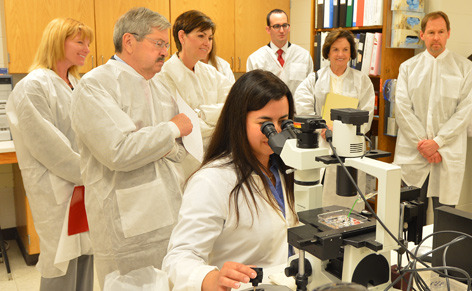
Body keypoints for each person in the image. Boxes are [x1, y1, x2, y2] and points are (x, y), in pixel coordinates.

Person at [69, 7, 193, 287]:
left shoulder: (160, 87)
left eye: (166, 45)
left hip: (169, 212)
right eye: (158, 43)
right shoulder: (96, 85)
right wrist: (170, 129)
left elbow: (179, 150)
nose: (165, 51)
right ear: (129, 41)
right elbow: (119, 151)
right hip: (125, 223)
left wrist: (156, 141)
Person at [162, 70, 298, 291]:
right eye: (265, 124)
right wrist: (209, 279)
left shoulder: (281, 168)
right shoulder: (212, 180)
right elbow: (177, 259)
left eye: (283, 121)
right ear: (239, 121)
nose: (277, 132)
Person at [6, 18, 94, 290]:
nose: (87, 49)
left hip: (82, 186)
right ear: (57, 42)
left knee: (85, 257)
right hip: (59, 188)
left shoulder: (74, 83)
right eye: (80, 42)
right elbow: (48, 146)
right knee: (61, 262)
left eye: (88, 43)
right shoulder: (33, 86)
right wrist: (90, 172)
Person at [394, 11, 472, 214]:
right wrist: (425, 145)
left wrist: (437, 143)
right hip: (414, 153)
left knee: (445, 217)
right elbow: (402, 109)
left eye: (440, 31)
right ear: (422, 35)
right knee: (409, 219)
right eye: (431, 32)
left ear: (448, 33)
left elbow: (465, 111)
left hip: (446, 154)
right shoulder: (408, 68)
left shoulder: (465, 68)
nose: (436, 37)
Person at [294, 29, 375, 211]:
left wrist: (341, 130)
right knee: (319, 204)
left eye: (345, 50)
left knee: (349, 205)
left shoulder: (362, 81)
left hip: (351, 149)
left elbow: (367, 116)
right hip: (321, 144)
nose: (340, 54)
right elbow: (303, 106)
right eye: (336, 49)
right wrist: (321, 127)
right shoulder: (314, 79)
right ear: (328, 52)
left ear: (351, 53)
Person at [157, 10, 233, 176]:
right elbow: (180, 127)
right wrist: (215, 122)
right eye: (201, 36)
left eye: (210, 38)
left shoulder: (211, 73)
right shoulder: (164, 75)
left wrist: (201, 114)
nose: (207, 43)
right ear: (182, 36)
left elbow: (234, 107)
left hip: (214, 161)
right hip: (182, 166)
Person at [246, 9, 313, 95]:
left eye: (285, 25)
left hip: (296, 108)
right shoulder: (255, 59)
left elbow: (310, 90)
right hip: (267, 107)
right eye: (277, 26)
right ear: (268, 29)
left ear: (289, 27)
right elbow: (251, 92)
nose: (282, 30)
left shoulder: (304, 56)